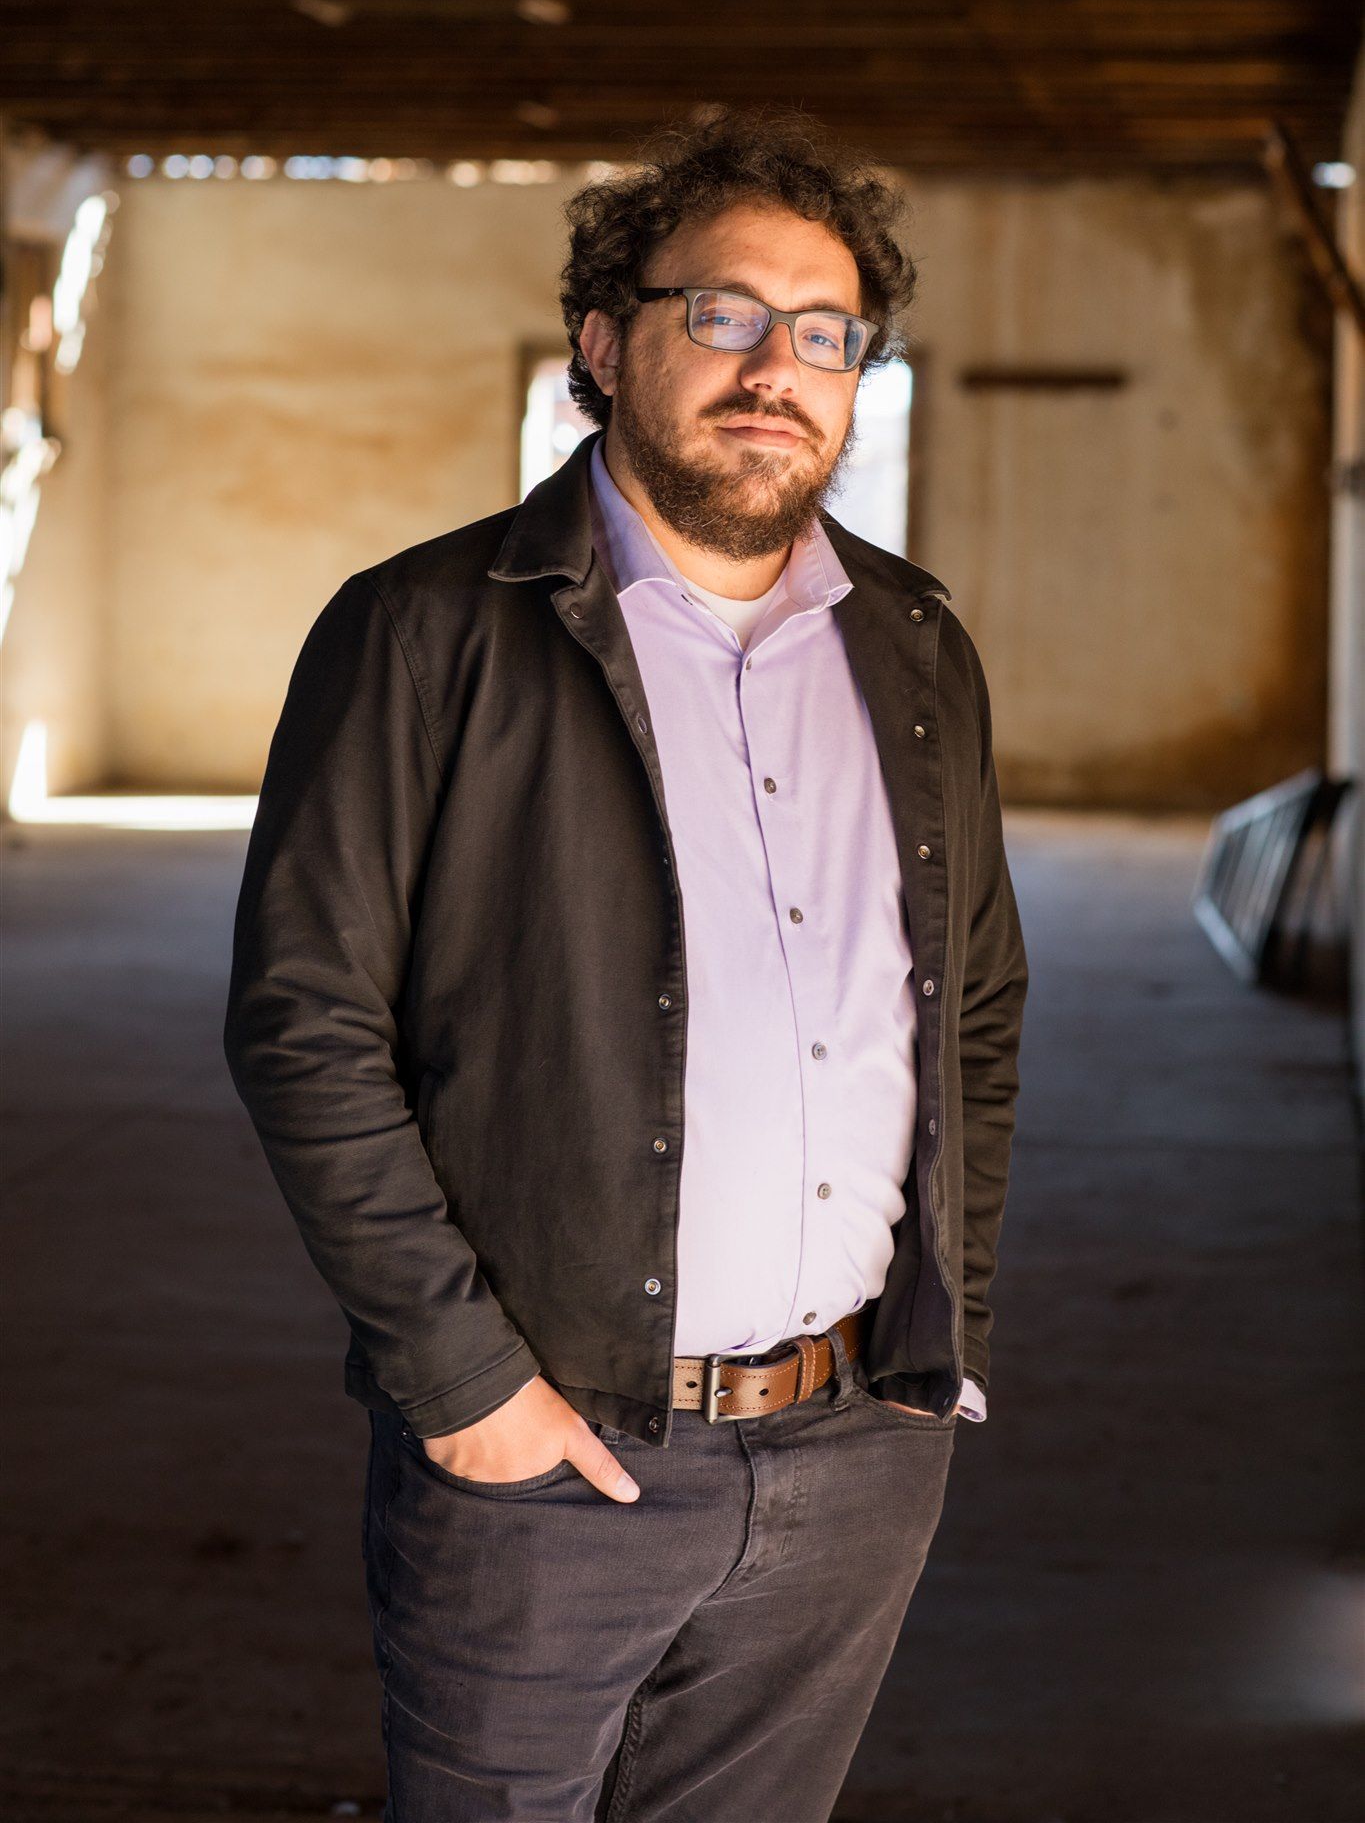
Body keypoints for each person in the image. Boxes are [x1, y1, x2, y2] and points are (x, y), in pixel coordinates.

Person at [223, 105, 1029, 1823]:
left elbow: (970, 1007)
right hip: (551, 1454)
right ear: (604, 342)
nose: (776, 369)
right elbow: (306, 1022)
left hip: (856, 1445)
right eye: (722, 314)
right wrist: (467, 1389)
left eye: (825, 335)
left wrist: (936, 1337)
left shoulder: (912, 645)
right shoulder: (426, 627)